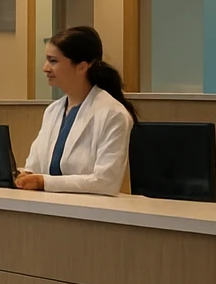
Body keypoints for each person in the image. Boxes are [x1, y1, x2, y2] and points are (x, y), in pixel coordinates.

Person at [13, 26, 136, 196]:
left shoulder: (113, 114)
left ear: (81, 67)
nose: (45, 68)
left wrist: (43, 182)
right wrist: (24, 176)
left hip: (92, 214)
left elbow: (106, 182)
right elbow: (33, 167)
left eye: (53, 61)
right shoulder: (53, 111)